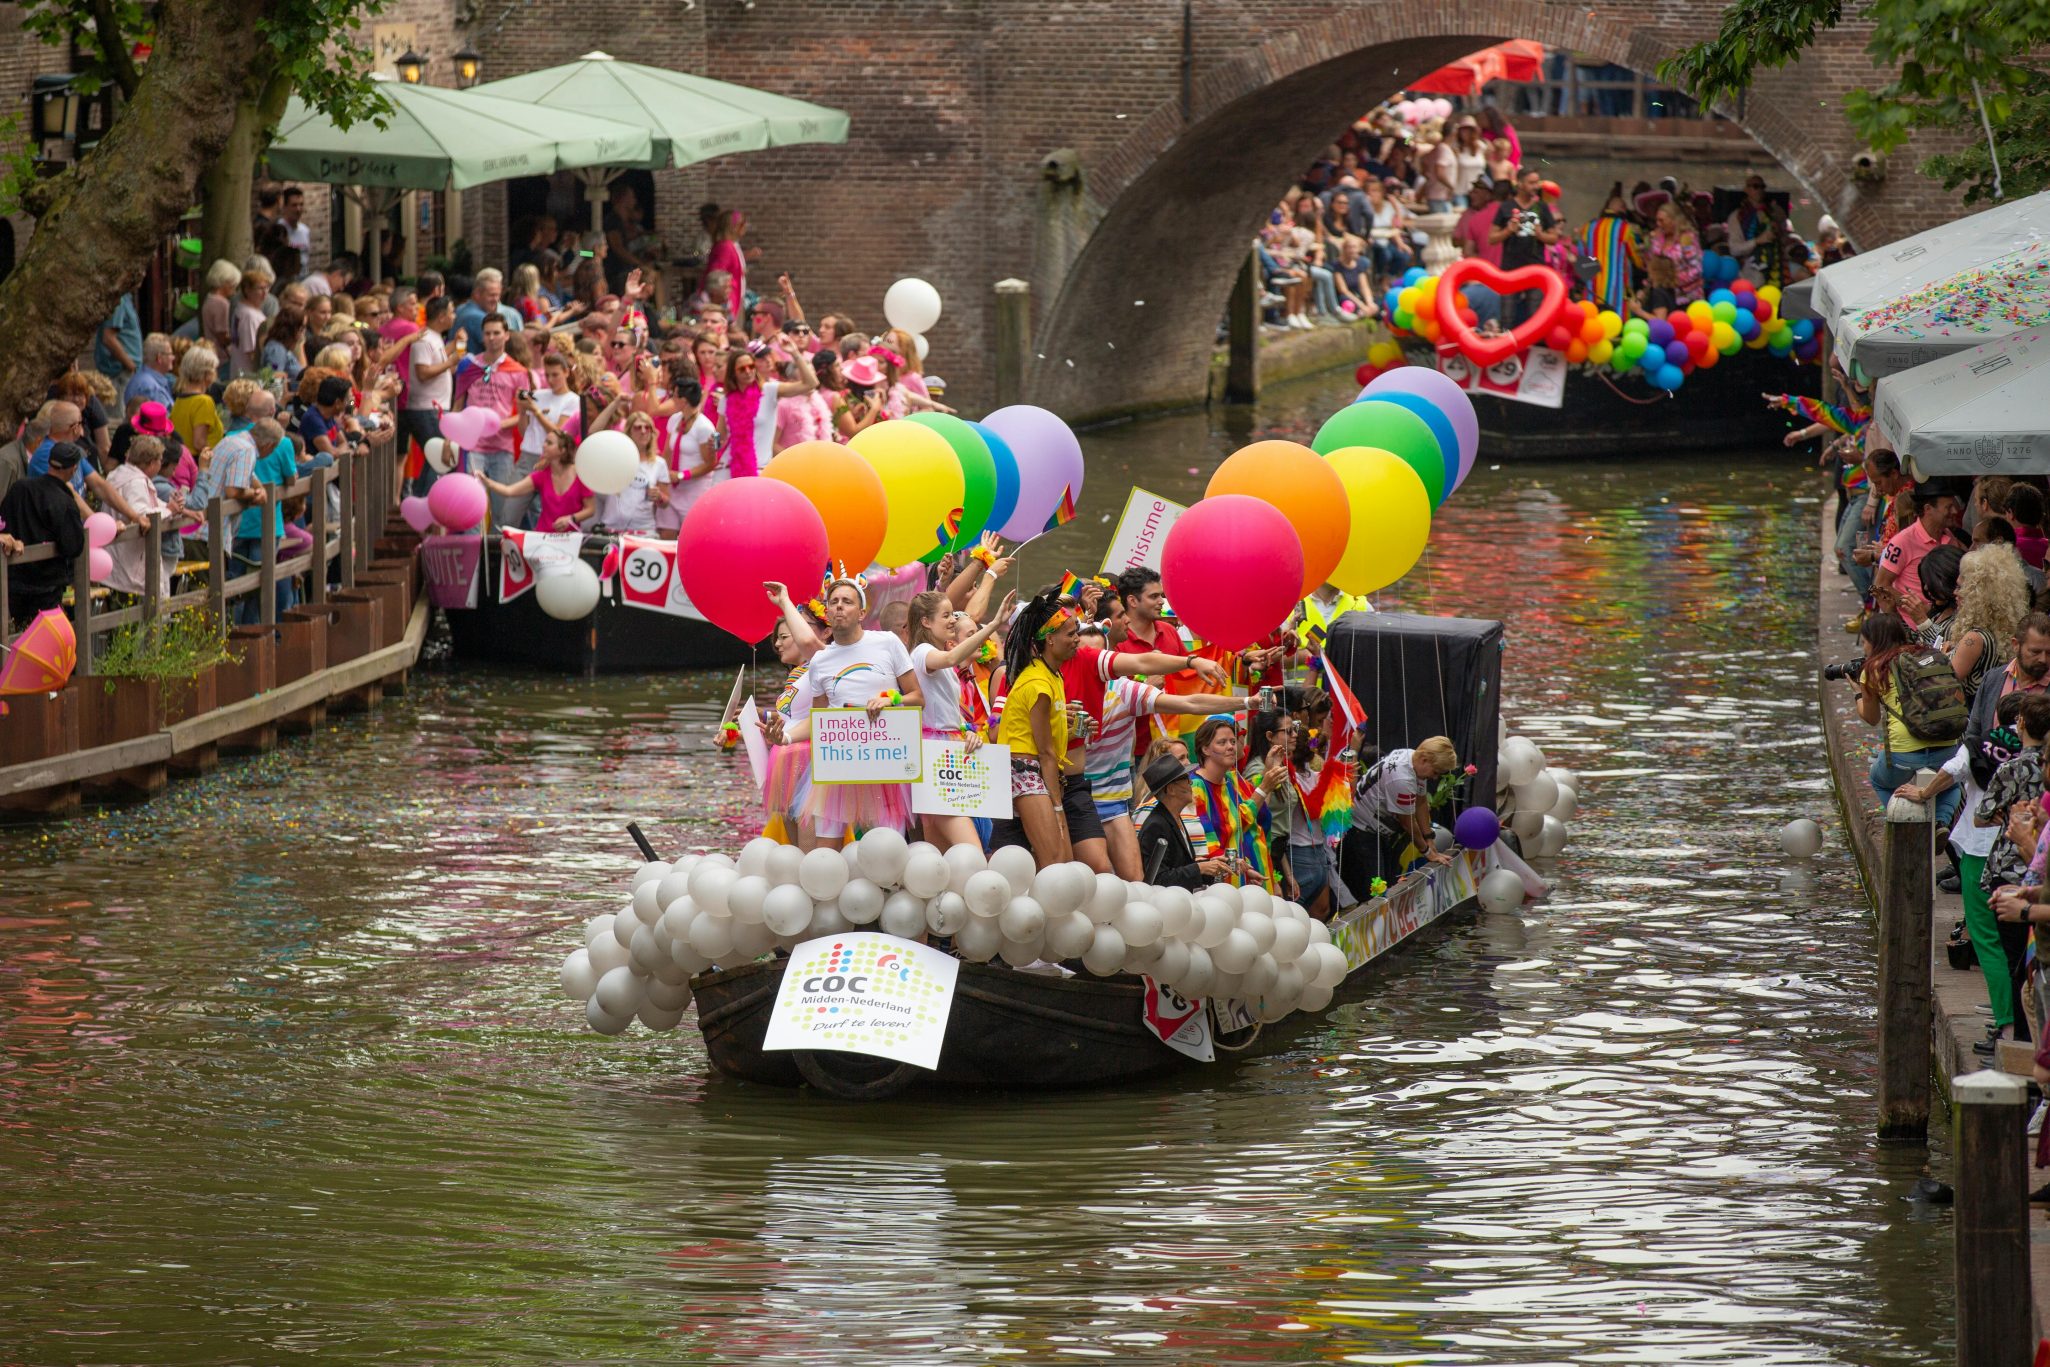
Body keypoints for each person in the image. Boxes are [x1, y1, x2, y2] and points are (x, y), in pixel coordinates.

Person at [781, 573, 925, 840]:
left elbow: (917, 697)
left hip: (884, 762)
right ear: (827, 611)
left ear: (861, 612)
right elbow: (818, 719)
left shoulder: (887, 642)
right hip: (839, 763)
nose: (838, 606)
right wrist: (785, 736)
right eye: (833, 601)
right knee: (825, 853)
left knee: (886, 848)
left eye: (846, 601)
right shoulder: (820, 660)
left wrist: (891, 700)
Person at [904, 589, 1014, 850]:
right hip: (935, 756)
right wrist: (995, 625)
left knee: (941, 851)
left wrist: (967, 731)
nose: (952, 620)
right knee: (971, 850)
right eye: (946, 615)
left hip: (949, 750)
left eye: (953, 614)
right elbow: (951, 657)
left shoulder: (940, 660)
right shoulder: (922, 652)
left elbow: (947, 713)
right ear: (926, 622)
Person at [1850, 611, 1966, 826]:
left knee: (1880, 781)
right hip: (1947, 746)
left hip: (1904, 754)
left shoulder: (1874, 668)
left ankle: (1906, 824)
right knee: (1949, 785)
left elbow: (1871, 717)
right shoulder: (1926, 655)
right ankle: (1940, 823)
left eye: (1865, 642)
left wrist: (1859, 691)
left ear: (1875, 642)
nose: (1863, 648)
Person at [994, 593, 1080, 866]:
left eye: (1077, 632)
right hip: (1024, 770)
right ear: (1050, 639)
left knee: (1063, 858)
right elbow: (1045, 752)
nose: (1076, 639)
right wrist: (1057, 807)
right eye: (1070, 634)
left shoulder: (1052, 674)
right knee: (1056, 860)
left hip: (1035, 770)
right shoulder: (1038, 685)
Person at [1341, 735, 1459, 892]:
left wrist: (1429, 837)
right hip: (1362, 831)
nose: (1434, 777)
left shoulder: (1411, 756)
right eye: (1436, 772)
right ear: (1425, 760)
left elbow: (1421, 801)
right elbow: (1408, 823)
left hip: (1377, 829)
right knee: (1375, 889)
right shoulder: (1403, 779)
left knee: (1389, 883)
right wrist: (1427, 852)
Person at [1185, 716, 1279, 893]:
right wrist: (1264, 787)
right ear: (1205, 749)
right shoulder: (1196, 786)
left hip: (1242, 874)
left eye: (1233, 741)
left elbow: (1252, 820)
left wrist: (1247, 869)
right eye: (1222, 742)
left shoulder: (1230, 778)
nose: (1231, 746)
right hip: (1218, 884)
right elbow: (1205, 840)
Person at [0, 440, 87, 626]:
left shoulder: (19, 488)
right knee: (43, 639)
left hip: (13, 581)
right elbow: (73, 546)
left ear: (50, 462)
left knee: (16, 633)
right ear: (73, 469)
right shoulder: (63, 500)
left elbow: (3, 522)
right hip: (46, 586)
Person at [457, 315, 528, 526]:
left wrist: (500, 424)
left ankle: (498, 557)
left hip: (502, 446)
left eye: (497, 333)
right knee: (472, 508)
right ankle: (475, 557)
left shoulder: (519, 371)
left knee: (501, 511)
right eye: (487, 333)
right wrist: (450, 440)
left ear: (506, 335)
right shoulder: (468, 365)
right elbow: (458, 403)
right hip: (473, 446)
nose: (492, 337)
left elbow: (525, 411)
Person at [718, 345, 818, 480]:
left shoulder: (769, 390)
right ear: (733, 373)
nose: (748, 371)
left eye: (751, 366)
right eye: (742, 369)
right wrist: (712, 441)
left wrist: (795, 353)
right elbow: (720, 437)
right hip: (729, 470)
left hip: (760, 471)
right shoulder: (726, 400)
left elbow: (810, 383)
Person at [103, 435, 179, 599]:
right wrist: (169, 511)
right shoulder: (135, 482)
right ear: (152, 463)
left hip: (117, 557)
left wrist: (168, 506)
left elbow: (149, 503)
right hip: (127, 560)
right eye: (159, 460)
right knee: (133, 613)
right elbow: (142, 514)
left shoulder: (118, 474)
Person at [479, 427, 591, 533]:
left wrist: (571, 518)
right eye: (545, 442)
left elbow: (591, 509)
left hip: (571, 539)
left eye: (549, 443)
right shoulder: (541, 476)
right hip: (542, 537)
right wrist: (486, 481)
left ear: (562, 450)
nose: (543, 446)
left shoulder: (580, 474)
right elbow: (509, 491)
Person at [1874, 480, 1961, 616]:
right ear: (1928, 509)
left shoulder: (1949, 537)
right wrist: (1917, 609)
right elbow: (1880, 585)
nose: (1954, 511)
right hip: (1913, 629)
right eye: (1948, 507)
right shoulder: (1902, 541)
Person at [1488, 168, 1560, 327]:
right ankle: (1506, 348)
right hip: (1511, 269)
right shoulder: (1506, 207)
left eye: (1537, 182)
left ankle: (1533, 349)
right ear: (1520, 184)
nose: (1536, 186)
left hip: (1535, 269)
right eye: (1531, 183)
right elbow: (1491, 238)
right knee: (1507, 316)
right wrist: (1508, 230)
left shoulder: (1542, 207)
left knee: (1536, 315)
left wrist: (1540, 235)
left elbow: (1554, 238)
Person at [1135, 751, 1215, 890]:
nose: (1190, 782)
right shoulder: (1156, 826)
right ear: (1171, 789)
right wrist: (1199, 868)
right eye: (1185, 778)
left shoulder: (1173, 818)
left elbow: (1181, 866)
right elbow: (1157, 879)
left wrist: (1214, 865)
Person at [598, 411, 669, 535]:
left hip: (644, 529)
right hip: (611, 528)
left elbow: (665, 503)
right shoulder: (615, 458)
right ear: (629, 431)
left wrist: (659, 497)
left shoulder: (659, 463)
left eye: (647, 427)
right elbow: (592, 434)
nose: (643, 431)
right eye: (638, 427)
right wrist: (615, 404)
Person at [1726, 175, 1791, 289]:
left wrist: (1778, 227)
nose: (1760, 190)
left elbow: (1785, 239)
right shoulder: (1737, 216)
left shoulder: (1774, 212)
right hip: (1750, 273)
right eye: (1755, 186)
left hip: (1775, 269)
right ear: (1746, 190)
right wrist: (1757, 241)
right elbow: (1734, 249)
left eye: (1762, 187)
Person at [169, 346, 226, 455]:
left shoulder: (180, 399)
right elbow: (199, 443)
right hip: (198, 463)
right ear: (207, 373)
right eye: (214, 369)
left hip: (182, 460)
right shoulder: (204, 401)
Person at [453, 268, 522, 352]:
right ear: (477, 293)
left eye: (498, 295)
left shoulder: (460, 310)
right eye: (491, 295)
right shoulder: (478, 317)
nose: (496, 300)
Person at [96, 292, 143, 384]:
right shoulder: (119, 301)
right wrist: (131, 366)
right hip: (121, 372)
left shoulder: (127, 298)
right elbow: (108, 338)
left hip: (128, 372)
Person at [125, 333, 176, 411]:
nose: (173, 357)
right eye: (170, 354)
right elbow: (164, 420)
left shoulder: (138, 378)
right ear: (159, 358)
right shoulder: (152, 389)